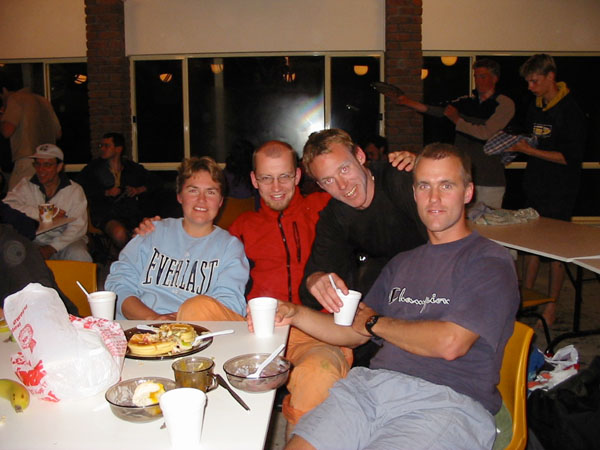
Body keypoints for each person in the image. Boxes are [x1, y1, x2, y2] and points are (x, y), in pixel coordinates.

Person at [257, 142, 520, 450]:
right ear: (414, 193)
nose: (434, 198)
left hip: (445, 402)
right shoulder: (401, 263)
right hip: (368, 391)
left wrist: (375, 323)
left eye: (446, 185)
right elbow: (352, 332)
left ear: (468, 192)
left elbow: (451, 343)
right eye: (424, 186)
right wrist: (295, 313)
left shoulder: (488, 260)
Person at [228, 140, 348, 437]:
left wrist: (399, 168)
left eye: (284, 176)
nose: (276, 187)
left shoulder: (323, 208)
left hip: (315, 330)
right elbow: (204, 251)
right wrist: (155, 230)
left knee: (317, 374)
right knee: (197, 309)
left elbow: (366, 194)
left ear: (297, 175)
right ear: (254, 180)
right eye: (266, 178)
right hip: (257, 330)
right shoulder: (243, 225)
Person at [105, 156, 249, 321]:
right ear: (180, 196)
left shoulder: (230, 248)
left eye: (211, 192)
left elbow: (229, 303)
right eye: (193, 190)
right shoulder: (152, 232)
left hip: (198, 329)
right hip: (140, 326)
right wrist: (154, 318)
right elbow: (119, 285)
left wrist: (181, 322)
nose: (202, 200)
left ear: (221, 201)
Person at [300, 128, 426, 315]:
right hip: (388, 304)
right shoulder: (334, 217)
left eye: (344, 169)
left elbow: (449, 243)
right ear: (320, 185)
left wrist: (428, 169)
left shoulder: (400, 179)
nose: (343, 185)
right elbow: (310, 290)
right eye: (328, 180)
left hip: (433, 288)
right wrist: (315, 280)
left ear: (359, 156)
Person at [508, 54, 586, 326]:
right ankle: (525, 301)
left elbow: (569, 158)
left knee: (555, 252)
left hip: (561, 190)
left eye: (535, 81)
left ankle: (550, 306)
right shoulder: (536, 106)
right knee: (531, 246)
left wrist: (530, 151)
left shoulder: (570, 111)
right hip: (536, 186)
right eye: (528, 82)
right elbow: (535, 142)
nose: (530, 87)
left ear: (550, 76)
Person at [390, 59, 515, 209]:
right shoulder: (467, 101)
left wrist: (457, 120)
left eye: (483, 76)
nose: (478, 81)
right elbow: (437, 110)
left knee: (490, 222)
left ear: (494, 78)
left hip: (490, 180)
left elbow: (486, 133)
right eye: (476, 76)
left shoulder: (504, 103)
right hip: (463, 178)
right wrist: (407, 102)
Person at [2, 144, 91, 262]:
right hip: (34, 240)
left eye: (47, 165)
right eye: (37, 164)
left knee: (79, 254)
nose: (41, 169)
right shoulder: (26, 185)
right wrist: (43, 214)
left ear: (59, 167)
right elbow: (7, 207)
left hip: (66, 242)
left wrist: (52, 247)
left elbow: (77, 227)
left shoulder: (74, 190)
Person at [78, 132, 161, 250]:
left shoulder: (131, 168)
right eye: (101, 146)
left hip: (130, 213)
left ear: (118, 149)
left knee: (150, 231)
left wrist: (138, 190)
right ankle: (129, 257)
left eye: (107, 146)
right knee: (119, 233)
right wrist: (105, 192)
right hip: (105, 213)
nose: (102, 149)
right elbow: (80, 187)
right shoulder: (93, 168)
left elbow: (155, 181)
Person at [1, 82, 62, 190]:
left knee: (15, 197)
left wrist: (4, 115)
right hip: (48, 161)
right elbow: (58, 133)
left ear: (4, 90)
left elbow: (7, 131)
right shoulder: (44, 101)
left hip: (28, 160)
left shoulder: (15, 99)